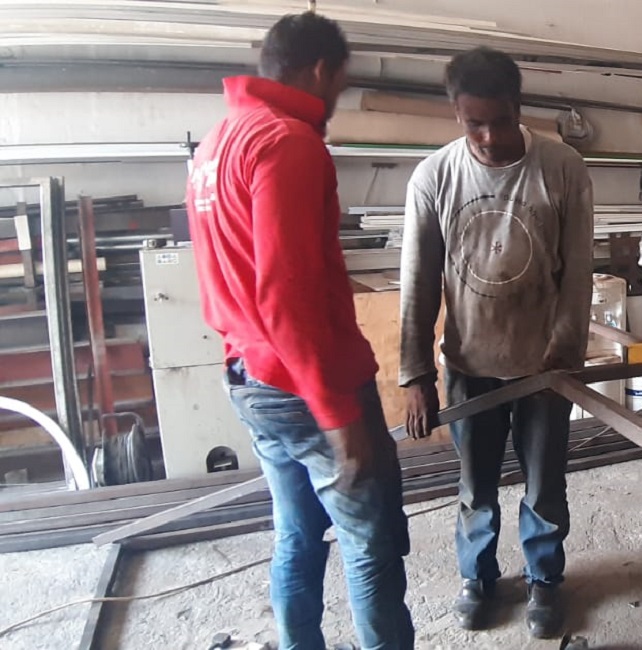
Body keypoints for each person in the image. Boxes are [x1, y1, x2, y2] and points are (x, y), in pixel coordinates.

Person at [187, 13, 414, 650]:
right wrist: (337, 415)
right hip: (305, 383)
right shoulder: (287, 142)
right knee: (370, 543)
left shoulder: (216, 144)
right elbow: (286, 293)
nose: (337, 99)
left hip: (249, 374)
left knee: (296, 532)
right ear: (320, 71)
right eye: (340, 84)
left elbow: (220, 278)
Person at [399, 46, 594, 639]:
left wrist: (565, 354)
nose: (487, 137)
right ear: (456, 114)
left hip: (543, 367)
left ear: (518, 107)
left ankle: (544, 579)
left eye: (500, 121)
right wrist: (415, 375)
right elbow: (417, 282)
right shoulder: (434, 177)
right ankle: (478, 577)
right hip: (468, 365)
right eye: (473, 123)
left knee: (544, 486)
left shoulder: (562, 168)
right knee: (474, 488)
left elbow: (577, 274)